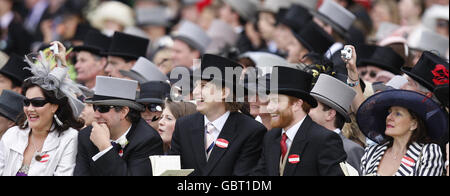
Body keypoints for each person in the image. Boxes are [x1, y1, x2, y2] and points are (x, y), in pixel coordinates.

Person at [169, 54, 267, 176]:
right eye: (195, 86)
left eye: (203, 86)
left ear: (224, 92)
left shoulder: (251, 131)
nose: (195, 92)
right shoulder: (183, 125)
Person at [0, 42, 85, 176]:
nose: (30, 109)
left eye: (37, 103)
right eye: (26, 102)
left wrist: (62, 66)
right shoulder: (12, 134)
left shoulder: (68, 138)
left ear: (54, 106)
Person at [253, 65, 347, 176]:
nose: (269, 108)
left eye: (276, 101)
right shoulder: (271, 137)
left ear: (297, 104)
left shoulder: (323, 140)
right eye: (269, 102)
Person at [74, 76, 163, 176]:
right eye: (95, 107)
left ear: (123, 112)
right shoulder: (86, 136)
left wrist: (105, 147)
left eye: (103, 108)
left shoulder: (147, 140)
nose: (96, 115)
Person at [358, 89, 447, 176]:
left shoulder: (428, 153)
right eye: (389, 112)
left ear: (414, 124)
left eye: (398, 114)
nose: (389, 117)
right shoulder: (372, 152)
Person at [309, 74, 364, 174]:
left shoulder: (351, 150)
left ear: (330, 114)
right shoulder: (306, 143)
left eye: (312, 106)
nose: (307, 111)